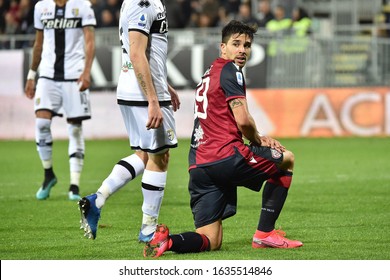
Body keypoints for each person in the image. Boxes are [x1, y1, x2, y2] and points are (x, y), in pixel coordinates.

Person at [143, 20, 303, 258]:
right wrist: (258, 139)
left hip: (199, 166)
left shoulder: (209, 74)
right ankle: (265, 234)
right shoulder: (231, 71)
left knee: (211, 239)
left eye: (247, 45)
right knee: (286, 159)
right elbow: (244, 120)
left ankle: (169, 241)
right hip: (225, 157)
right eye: (236, 44)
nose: (242, 50)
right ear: (223, 48)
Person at [78, 0, 180, 241]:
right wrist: (153, 100)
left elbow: (145, 51)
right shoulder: (142, 2)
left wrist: (164, 84)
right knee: (160, 157)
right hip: (143, 94)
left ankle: (97, 199)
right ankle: (148, 230)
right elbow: (136, 53)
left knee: (144, 155)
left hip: (135, 88)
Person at [24, 0, 96, 201]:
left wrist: (87, 71)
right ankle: (48, 174)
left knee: (74, 128)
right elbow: (38, 43)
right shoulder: (41, 7)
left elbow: (90, 40)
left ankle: (74, 185)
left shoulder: (82, 6)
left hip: (74, 75)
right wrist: (31, 75)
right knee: (41, 123)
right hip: (47, 76)